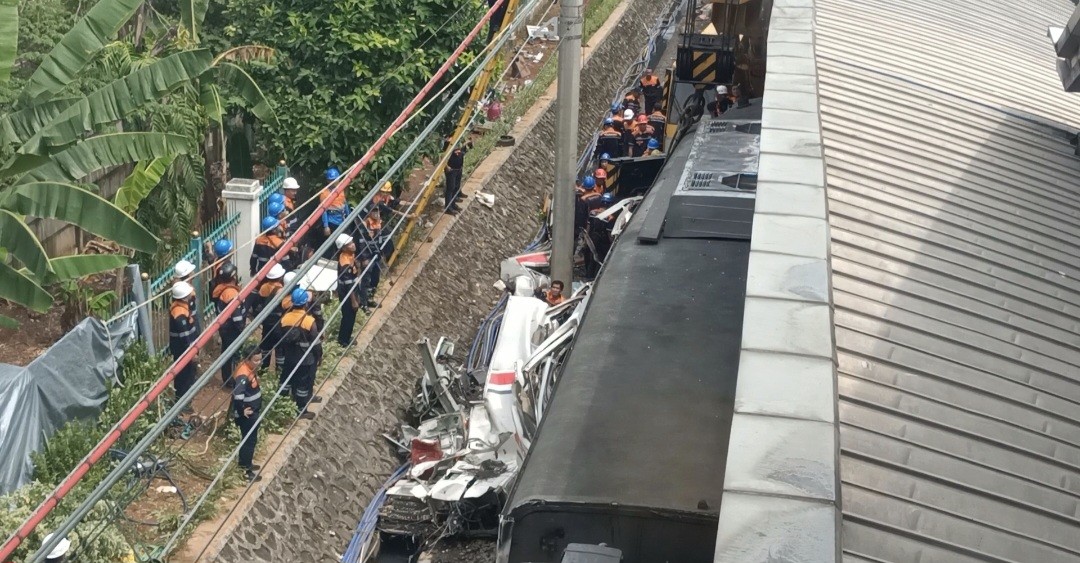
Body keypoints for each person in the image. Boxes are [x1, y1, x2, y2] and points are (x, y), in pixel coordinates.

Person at [279, 288, 323, 417]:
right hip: (306, 359)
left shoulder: (285, 318)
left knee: (287, 379)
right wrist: (319, 356)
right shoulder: (309, 321)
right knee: (303, 384)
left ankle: (282, 405)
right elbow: (316, 343)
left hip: (289, 356)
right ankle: (301, 409)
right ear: (305, 304)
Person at [211, 262, 246, 387]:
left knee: (227, 351)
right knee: (233, 355)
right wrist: (242, 328)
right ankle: (230, 380)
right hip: (232, 329)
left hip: (225, 328)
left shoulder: (221, 289)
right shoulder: (231, 293)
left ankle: (227, 378)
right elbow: (236, 315)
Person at [246, 263, 286, 372]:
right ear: (280, 277)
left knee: (266, 346)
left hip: (267, 322)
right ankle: (279, 370)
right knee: (280, 347)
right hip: (278, 322)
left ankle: (263, 369)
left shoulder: (263, 287)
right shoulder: (280, 290)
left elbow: (259, 303)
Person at [232, 346, 263, 482]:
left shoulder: (249, 369)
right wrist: (241, 411)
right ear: (247, 360)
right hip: (247, 414)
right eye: (256, 360)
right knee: (248, 442)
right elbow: (238, 396)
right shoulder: (243, 374)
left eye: (260, 360)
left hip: (253, 411)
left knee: (251, 440)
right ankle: (245, 470)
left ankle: (247, 464)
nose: (259, 363)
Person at [169, 282, 199, 403]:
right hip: (182, 349)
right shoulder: (179, 313)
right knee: (184, 376)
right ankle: (182, 401)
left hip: (183, 347)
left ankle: (184, 400)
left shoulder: (181, 308)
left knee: (187, 374)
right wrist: (191, 352)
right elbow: (185, 335)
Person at [335, 234, 361, 346]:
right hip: (347, 293)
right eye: (349, 244)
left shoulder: (349, 255)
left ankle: (346, 337)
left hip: (352, 290)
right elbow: (348, 284)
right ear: (344, 248)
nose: (353, 245)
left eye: (352, 242)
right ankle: (343, 340)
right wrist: (353, 300)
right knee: (348, 316)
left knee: (351, 316)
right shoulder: (345, 263)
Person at [174, 259, 201, 333]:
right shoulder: (187, 292)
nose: (193, 272)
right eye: (191, 271)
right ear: (188, 274)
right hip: (190, 323)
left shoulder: (179, 288)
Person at [444, 137, 470, 213]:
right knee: (450, 188)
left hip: (458, 169)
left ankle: (453, 204)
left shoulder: (459, 142)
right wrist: (446, 166)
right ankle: (448, 208)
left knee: (455, 187)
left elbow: (462, 152)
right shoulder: (448, 143)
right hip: (451, 170)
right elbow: (442, 156)